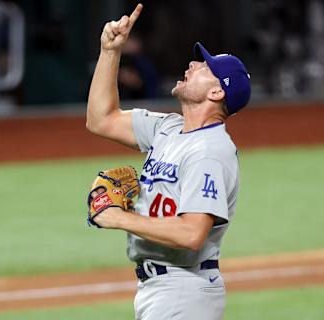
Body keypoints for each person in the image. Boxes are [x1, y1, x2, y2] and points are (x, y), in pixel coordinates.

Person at [86, 4, 251, 320]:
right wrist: (110, 51)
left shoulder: (210, 152)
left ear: (217, 91)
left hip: (184, 289)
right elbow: (101, 119)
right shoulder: (168, 128)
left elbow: (192, 234)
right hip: (161, 290)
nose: (192, 64)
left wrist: (117, 217)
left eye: (205, 67)